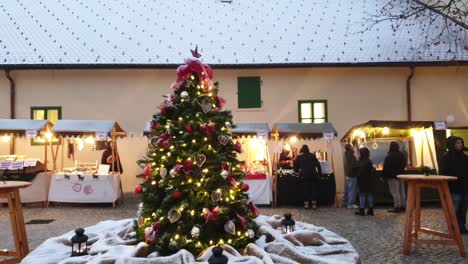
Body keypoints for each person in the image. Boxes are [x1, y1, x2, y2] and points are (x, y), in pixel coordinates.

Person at [440, 136, 468, 233]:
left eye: (461, 142)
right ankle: (453, 227)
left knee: (463, 210)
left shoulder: (464, 157)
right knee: (454, 209)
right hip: (454, 188)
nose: (460, 145)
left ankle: (462, 227)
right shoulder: (446, 157)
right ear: (452, 144)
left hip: (465, 188)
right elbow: (443, 173)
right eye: (457, 143)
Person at [293, 144, 322, 209]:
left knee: (306, 190)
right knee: (314, 189)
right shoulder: (312, 155)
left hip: (305, 176)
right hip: (313, 175)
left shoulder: (300, 157)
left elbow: (295, 164)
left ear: (302, 150)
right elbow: (318, 165)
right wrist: (320, 174)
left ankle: (306, 204)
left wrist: (296, 171)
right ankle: (314, 205)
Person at [383, 141, 407, 213]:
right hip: (401, 175)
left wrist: (383, 176)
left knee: (395, 192)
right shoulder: (402, 155)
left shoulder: (389, 156)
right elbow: (404, 165)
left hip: (392, 176)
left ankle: (397, 207)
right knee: (402, 191)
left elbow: (386, 167)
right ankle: (404, 205)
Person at [355, 147, 375, 216]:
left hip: (362, 180)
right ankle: (371, 210)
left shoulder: (361, 161)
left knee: (362, 195)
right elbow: (372, 170)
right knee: (369, 195)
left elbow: (359, 171)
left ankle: (362, 210)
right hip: (369, 180)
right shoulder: (369, 161)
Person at [343, 143, 359, 209]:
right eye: (352, 146)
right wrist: (358, 163)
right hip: (352, 174)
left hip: (347, 174)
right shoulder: (351, 155)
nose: (353, 147)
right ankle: (350, 204)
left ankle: (346, 202)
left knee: (348, 189)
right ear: (350, 148)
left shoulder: (345, 154)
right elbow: (353, 165)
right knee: (352, 190)